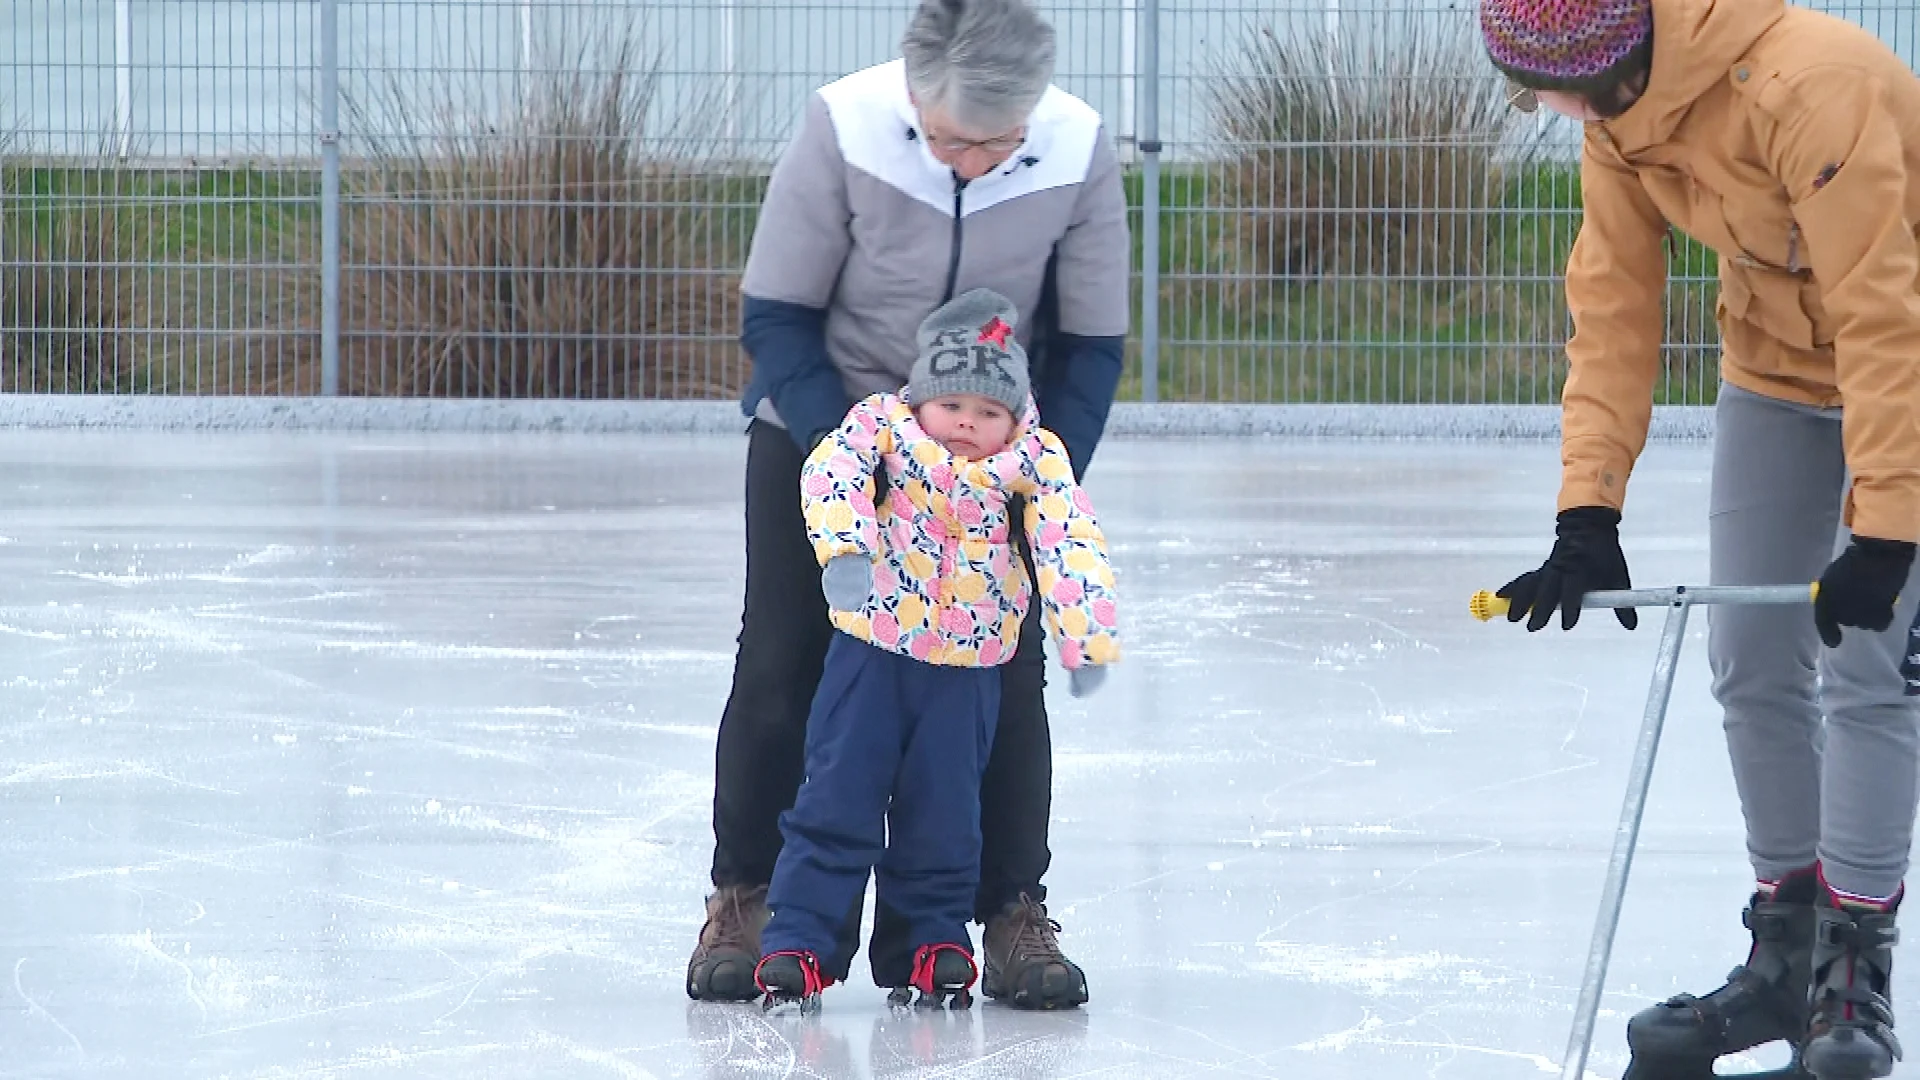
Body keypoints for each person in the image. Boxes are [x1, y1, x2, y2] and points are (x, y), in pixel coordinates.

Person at [1479, 0, 1920, 1076]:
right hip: (1774, 370)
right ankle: (1789, 951)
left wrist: (1891, 525)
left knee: (1868, 666)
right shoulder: (1618, 124)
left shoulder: (1811, 84)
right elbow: (1614, 303)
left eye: (1536, 87)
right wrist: (1588, 511)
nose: (1534, 108)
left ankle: (1854, 977)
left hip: (1903, 357)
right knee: (1752, 664)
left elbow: (1879, 307)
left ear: (1605, 60)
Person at [689, 0, 1130, 1010]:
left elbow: (1094, 342)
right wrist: (857, 454)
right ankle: (749, 894)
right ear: (911, 96)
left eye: (997, 143)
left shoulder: (1077, 151)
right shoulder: (843, 128)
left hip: (989, 457)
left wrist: (1035, 473)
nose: (972, 162)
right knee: (784, 661)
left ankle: (1012, 907)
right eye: (948, 140)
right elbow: (779, 315)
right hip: (824, 428)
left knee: (1001, 681)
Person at [753, 289, 1119, 1012]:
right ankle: (799, 939)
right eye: (952, 406)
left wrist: (1085, 636)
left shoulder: (1034, 464)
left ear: (1014, 418)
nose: (966, 424)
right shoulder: (881, 431)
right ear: (920, 399)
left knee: (947, 811)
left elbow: (1070, 541)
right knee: (837, 795)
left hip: (969, 671)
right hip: (873, 655)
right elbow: (830, 475)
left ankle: (930, 940)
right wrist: (846, 549)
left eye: (988, 413)